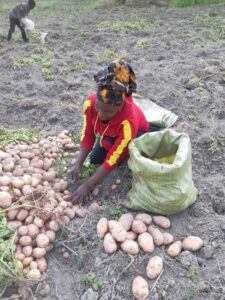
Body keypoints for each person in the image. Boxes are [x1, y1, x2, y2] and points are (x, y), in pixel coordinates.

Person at [66, 60, 158, 204]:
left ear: (120, 105)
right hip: (112, 132)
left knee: (113, 151)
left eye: (108, 112)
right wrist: (78, 163)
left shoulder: (128, 121)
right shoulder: (90, 104)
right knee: (96, 159)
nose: (101, 115)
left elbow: (114, 156)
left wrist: (89, 185)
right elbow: (88, 134)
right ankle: (110, 141)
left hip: (137, 133)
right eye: (99, 108)